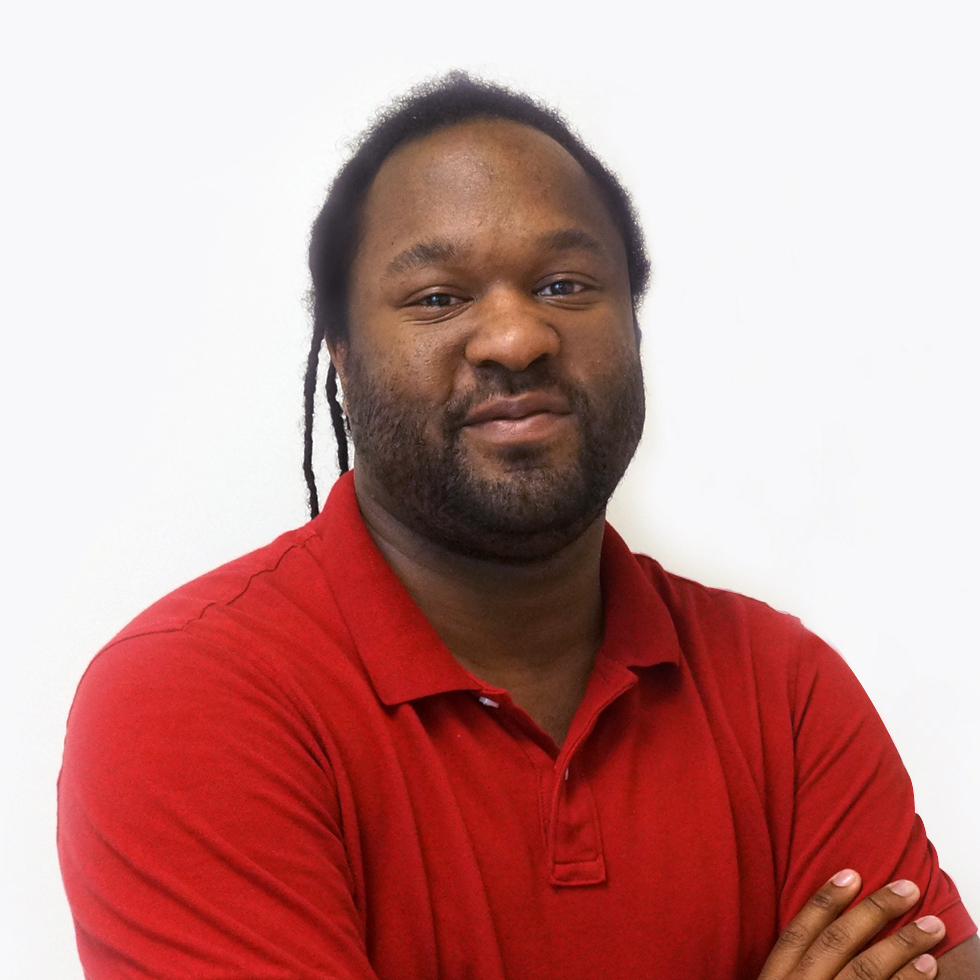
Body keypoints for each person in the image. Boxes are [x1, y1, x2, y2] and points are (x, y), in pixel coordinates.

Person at [58, 73, 979, 980]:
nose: (516, 337)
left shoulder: (782, 686)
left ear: (633, 328)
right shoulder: (186, 698)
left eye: (565, 284)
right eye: (438, 297)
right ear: (341, 356)